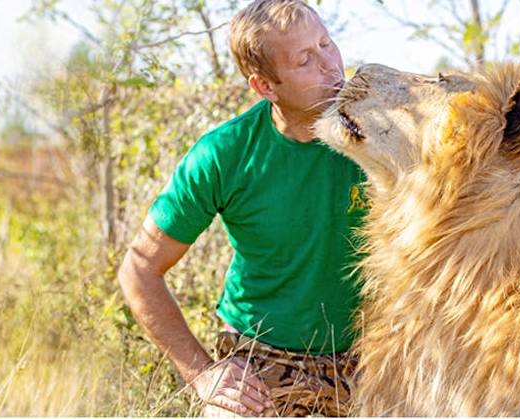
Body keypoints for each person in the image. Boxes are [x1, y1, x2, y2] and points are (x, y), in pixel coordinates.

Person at [115, 0, 367, 416]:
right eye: (305, 59)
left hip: (370, 358)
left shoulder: (377, 134)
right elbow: (139, 270)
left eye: (326, 43)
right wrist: (201, 374)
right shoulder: (224, 154)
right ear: (266, 86)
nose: (330, 65)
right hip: (260, 358)